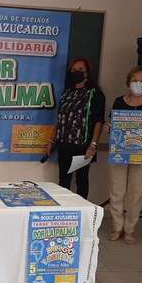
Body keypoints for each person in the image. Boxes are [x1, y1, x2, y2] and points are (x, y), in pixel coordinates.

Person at [106, 65, 142, 244]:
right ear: (128, 82)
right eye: (135, 80)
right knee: (117, 191)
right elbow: (112, 125)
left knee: (136, 193)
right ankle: (117, 228)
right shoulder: (119, 102)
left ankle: (129, 230)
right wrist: (109, 127)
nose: (138, 83)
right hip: (119, 153)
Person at [48, 58, 105, 199]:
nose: (77, 72)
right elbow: (60, 118)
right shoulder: (66, 93)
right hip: (64, 144)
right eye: (74, 70)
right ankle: (63, 210)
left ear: (87, 73)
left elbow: (98, 121)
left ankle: (82, 209)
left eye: (80, 70)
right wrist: (51, 141)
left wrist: (93, 145)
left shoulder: (95, 93)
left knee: (81, 180)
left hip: (83, 145)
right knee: (63, 181)